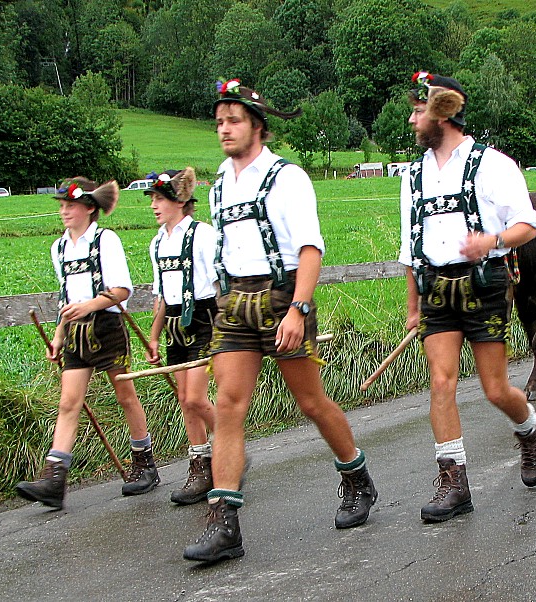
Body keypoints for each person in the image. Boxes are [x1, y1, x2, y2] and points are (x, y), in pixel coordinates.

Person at [183, 79, 377, 563]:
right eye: (219, 122)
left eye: (233, 120)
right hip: (235, 306)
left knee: (310, 401)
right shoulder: (220, 183)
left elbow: (310, 248)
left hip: (281, 298)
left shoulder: (287, 177)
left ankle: (357, 477)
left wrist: (299, 308)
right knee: (228, 404)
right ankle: (225, 524)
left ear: (258, 126)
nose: (224, 130)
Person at [399, 71, 536, 523]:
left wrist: (492, 240)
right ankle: (453, 480)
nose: (411, 119)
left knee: (494, 388)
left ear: (442, 113)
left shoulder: (492, 165)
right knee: (441, 382)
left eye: (418, 110)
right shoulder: (412, 175)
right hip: (435, 291)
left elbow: (529, 224)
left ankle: (531, 431)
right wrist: (411, 305)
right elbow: (410, 246)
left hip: (483, 285)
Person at [17, 178, 161, 509]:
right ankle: (54, 480)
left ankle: (144, 464)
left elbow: (122, 291)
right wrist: (58, 335)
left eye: (70, 206)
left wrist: (90, 305)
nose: (64, 212)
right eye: (62, 206)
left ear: (90, 209)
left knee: (125, 396)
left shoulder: (105, 240)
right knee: (69, 402)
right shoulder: (59, 248)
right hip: (75, 333)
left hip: (107, 328)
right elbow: (65, 298)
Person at [144, 168, 218, 505]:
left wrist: (227, 328)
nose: (154, 205)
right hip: (175, 323)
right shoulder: (158, 243)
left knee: (194, 397)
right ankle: (201, 466)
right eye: (153, 199)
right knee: (184, 398)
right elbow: (161, 296)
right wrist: (154, 337)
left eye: (160, 198)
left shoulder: (202, 235)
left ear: (180, 200)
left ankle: (231, 447)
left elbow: (219, 286)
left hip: (204, 319)